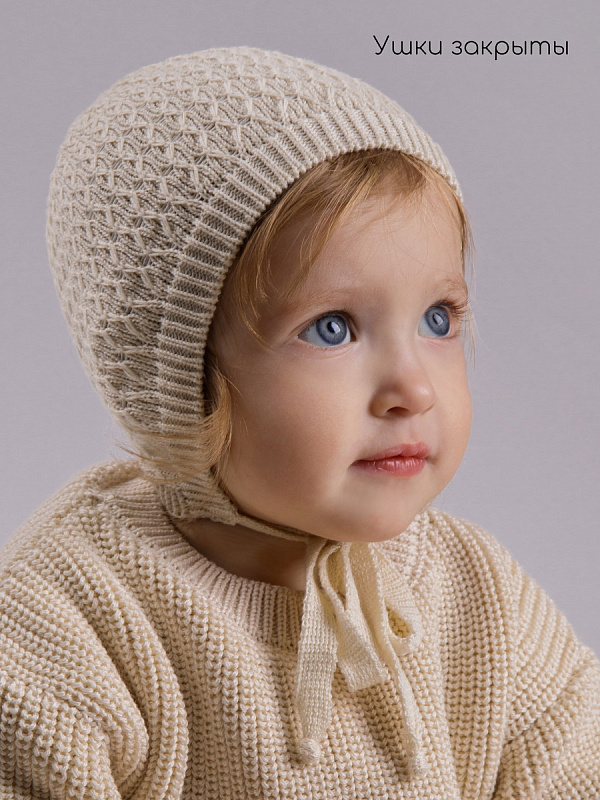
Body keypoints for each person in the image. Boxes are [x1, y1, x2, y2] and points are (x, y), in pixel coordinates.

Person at [1, 47, 598, 799]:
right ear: (173, 378)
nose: (413, 389)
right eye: (331, 328)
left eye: (438, 318)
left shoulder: (477, 596)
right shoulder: (70, 621)